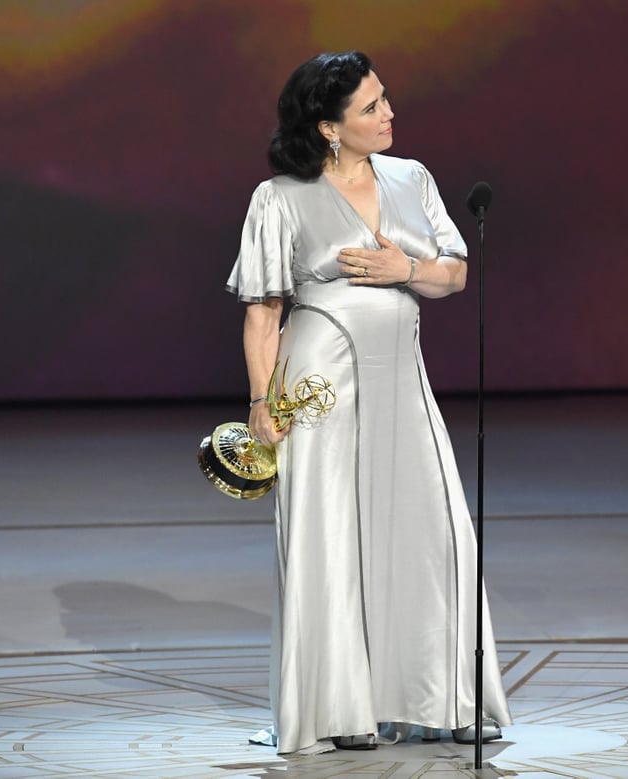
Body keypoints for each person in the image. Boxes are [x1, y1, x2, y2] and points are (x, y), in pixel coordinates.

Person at [226, 51, 511, 755]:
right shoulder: (281, 198)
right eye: (370, 108)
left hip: (400, 383)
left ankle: (441, 697)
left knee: (425, 531)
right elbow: (264, 313)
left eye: (385, 99)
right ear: (329, 126)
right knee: (329, 535)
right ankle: (336, 709)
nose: (389, 114)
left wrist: (403, 269)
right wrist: (261, 402)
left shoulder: (411, 179)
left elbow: (454, 273)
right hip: (318, 387)